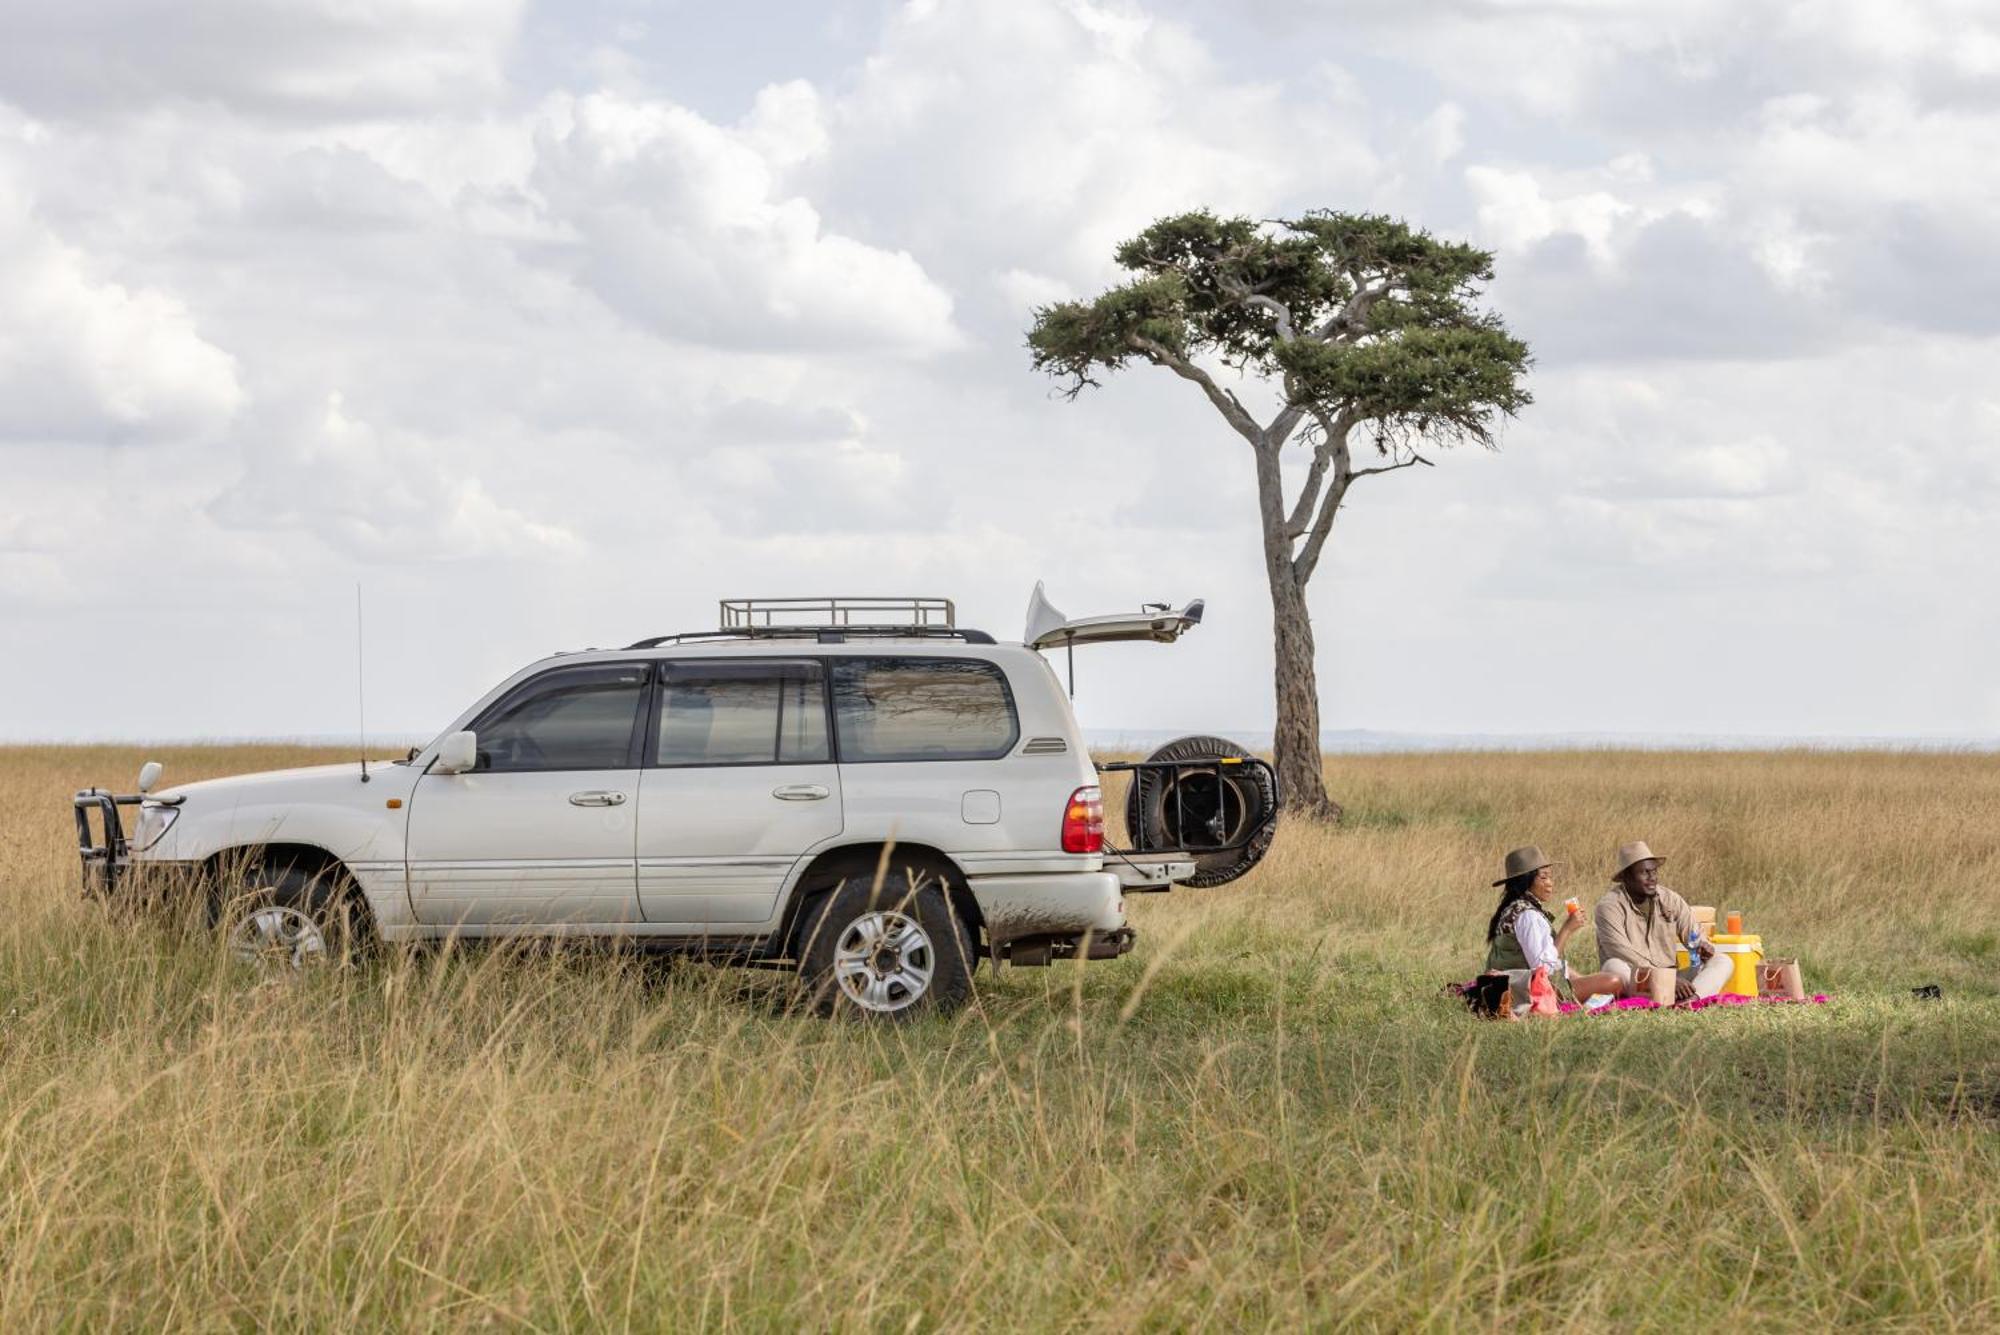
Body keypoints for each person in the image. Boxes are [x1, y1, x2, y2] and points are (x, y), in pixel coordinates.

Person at [1481, 846, 1621, 1014]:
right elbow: (1543, 969)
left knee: (1577, 974)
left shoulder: (1512, 908)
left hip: (1513, 984)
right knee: (1614, 981)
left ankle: (1582, 998)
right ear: (1526, 881)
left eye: (1550, 877)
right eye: (1544, 877)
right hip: (1527, 990)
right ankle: (1579, 1007)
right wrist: (1567, 930)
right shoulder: (1528, 915)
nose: (1550, 883)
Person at [1593, 841, 1732, 1002]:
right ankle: (1665, 996)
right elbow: (1620, 952)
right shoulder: (1609, 906)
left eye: (1654, 871)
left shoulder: (1670, 899)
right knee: (1613, 966)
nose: (1652, 878)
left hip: (1674, 979)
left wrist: (1703, 946)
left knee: (1722, 960)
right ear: (1626, 877)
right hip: (1640, 979)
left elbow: (1694, 935)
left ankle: (1691, 1000)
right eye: (1644, 872)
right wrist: (1664, 979)